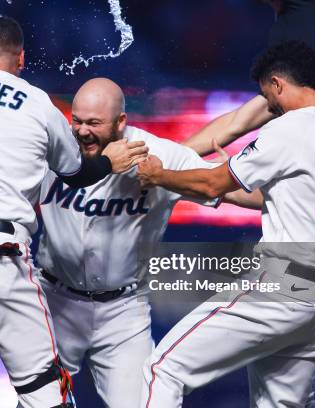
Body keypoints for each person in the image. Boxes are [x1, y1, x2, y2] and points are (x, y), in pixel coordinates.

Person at [0, 16, 147, 408]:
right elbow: (76, 174)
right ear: (21, 59)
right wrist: (109, 161)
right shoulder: (38, 103)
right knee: (44, 392)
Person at [137, 40, 315, 407]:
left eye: (267, 95)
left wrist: (161, 175)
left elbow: (213, 182)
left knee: (162, 369)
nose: (270, 106)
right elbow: (272, 198)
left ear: (277, 83)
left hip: (282, 289)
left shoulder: (291, 128)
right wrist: (217, 185)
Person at [183, 2, 315, 405]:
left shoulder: (307, 15)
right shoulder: (309, 21)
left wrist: (170, 160)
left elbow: (246, 118)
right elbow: (246, 117)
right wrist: (172, 157)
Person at [36, 77, 260, 408]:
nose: (83, 131)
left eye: (94, 123)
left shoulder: (158, 156)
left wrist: (307, 200)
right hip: (55, 303)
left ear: (121, 122)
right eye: (78, 121)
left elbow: (239, 192)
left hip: (122, 314)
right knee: (37, 403)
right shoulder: (52, 150)